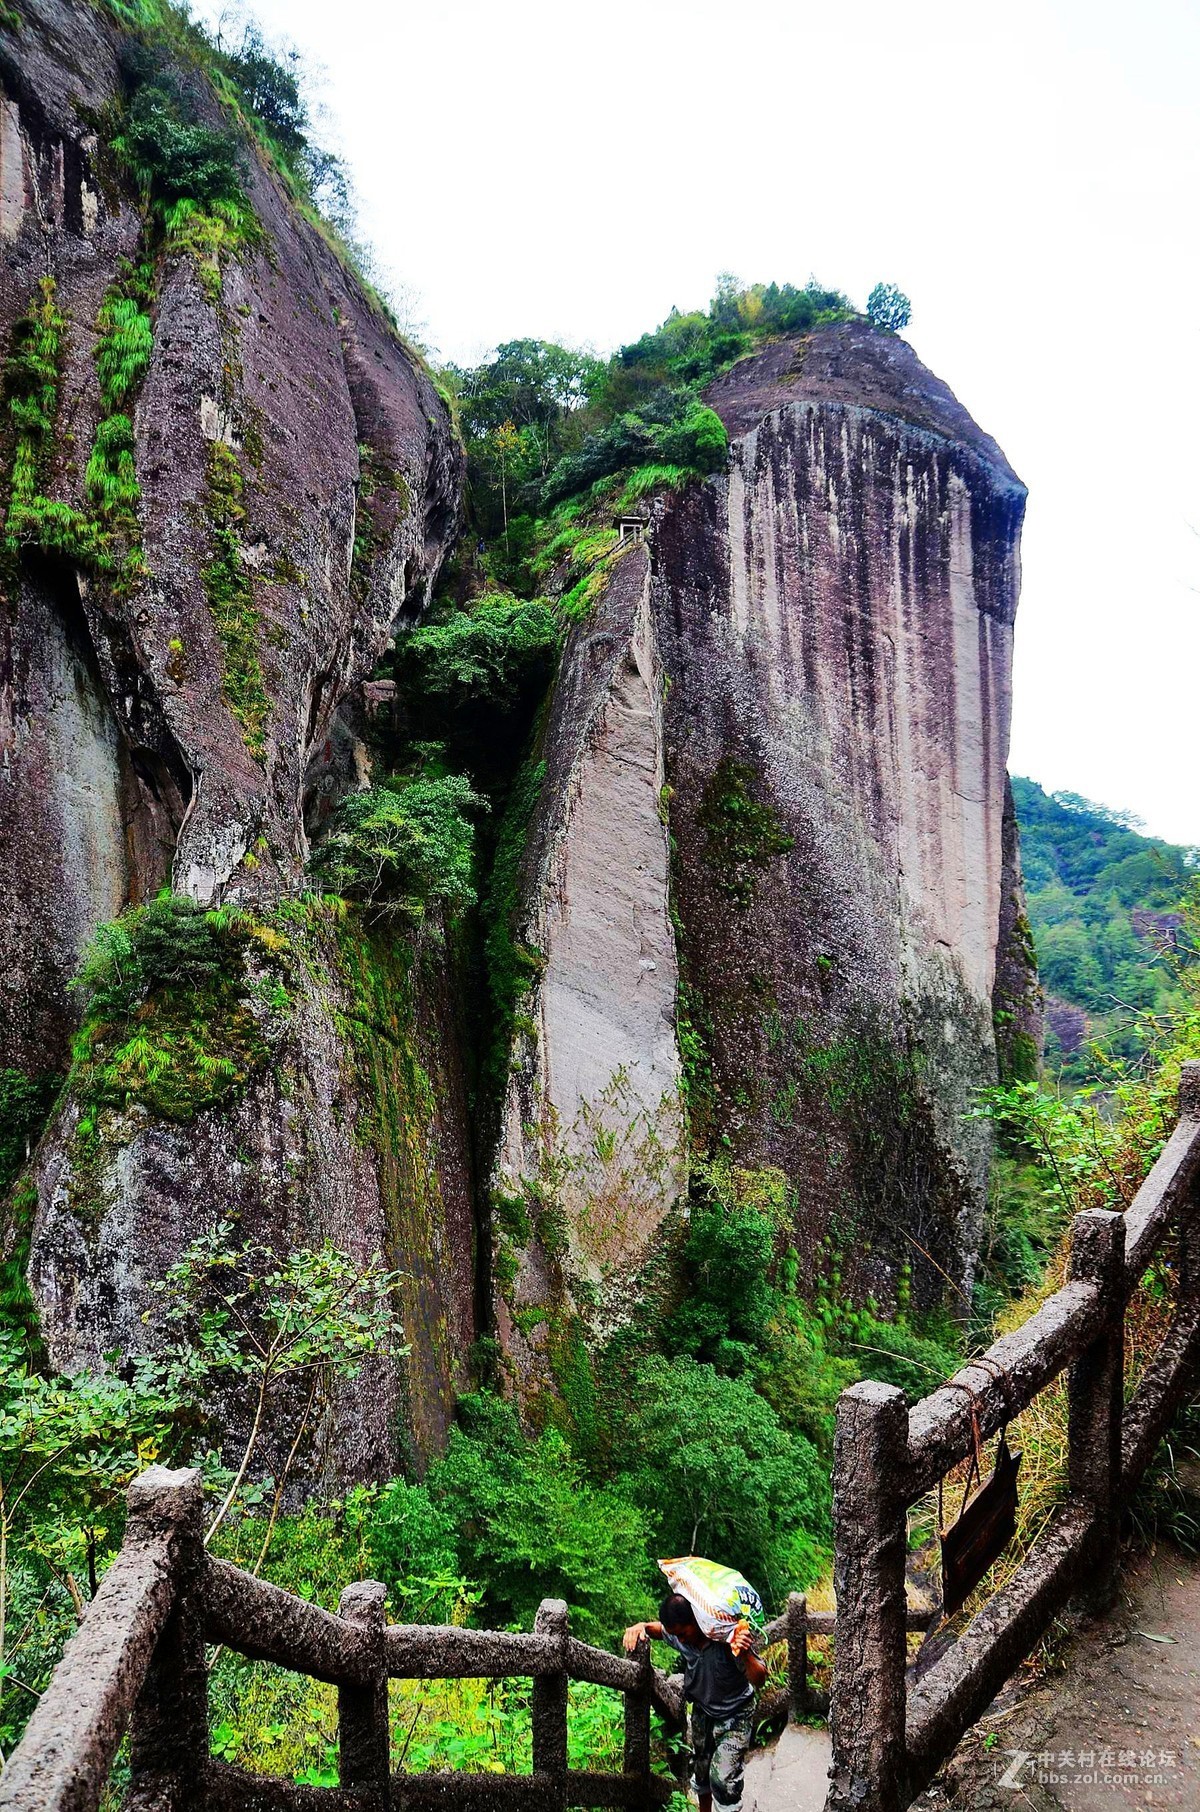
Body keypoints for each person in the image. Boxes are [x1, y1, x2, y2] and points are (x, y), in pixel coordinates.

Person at [623, 1591, 766, 1812]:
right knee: (702, 1772)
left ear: (697, 1619)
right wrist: (640, 1626)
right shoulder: (681, 1638)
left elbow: (759, 1678)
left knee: (723, 1779)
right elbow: (659, 1630)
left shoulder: (726, 1637)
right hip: (703, 1713)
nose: (680, 1639)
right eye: (675, 1634)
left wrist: (745, 1652)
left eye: (682, 1632)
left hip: (736, 1715)